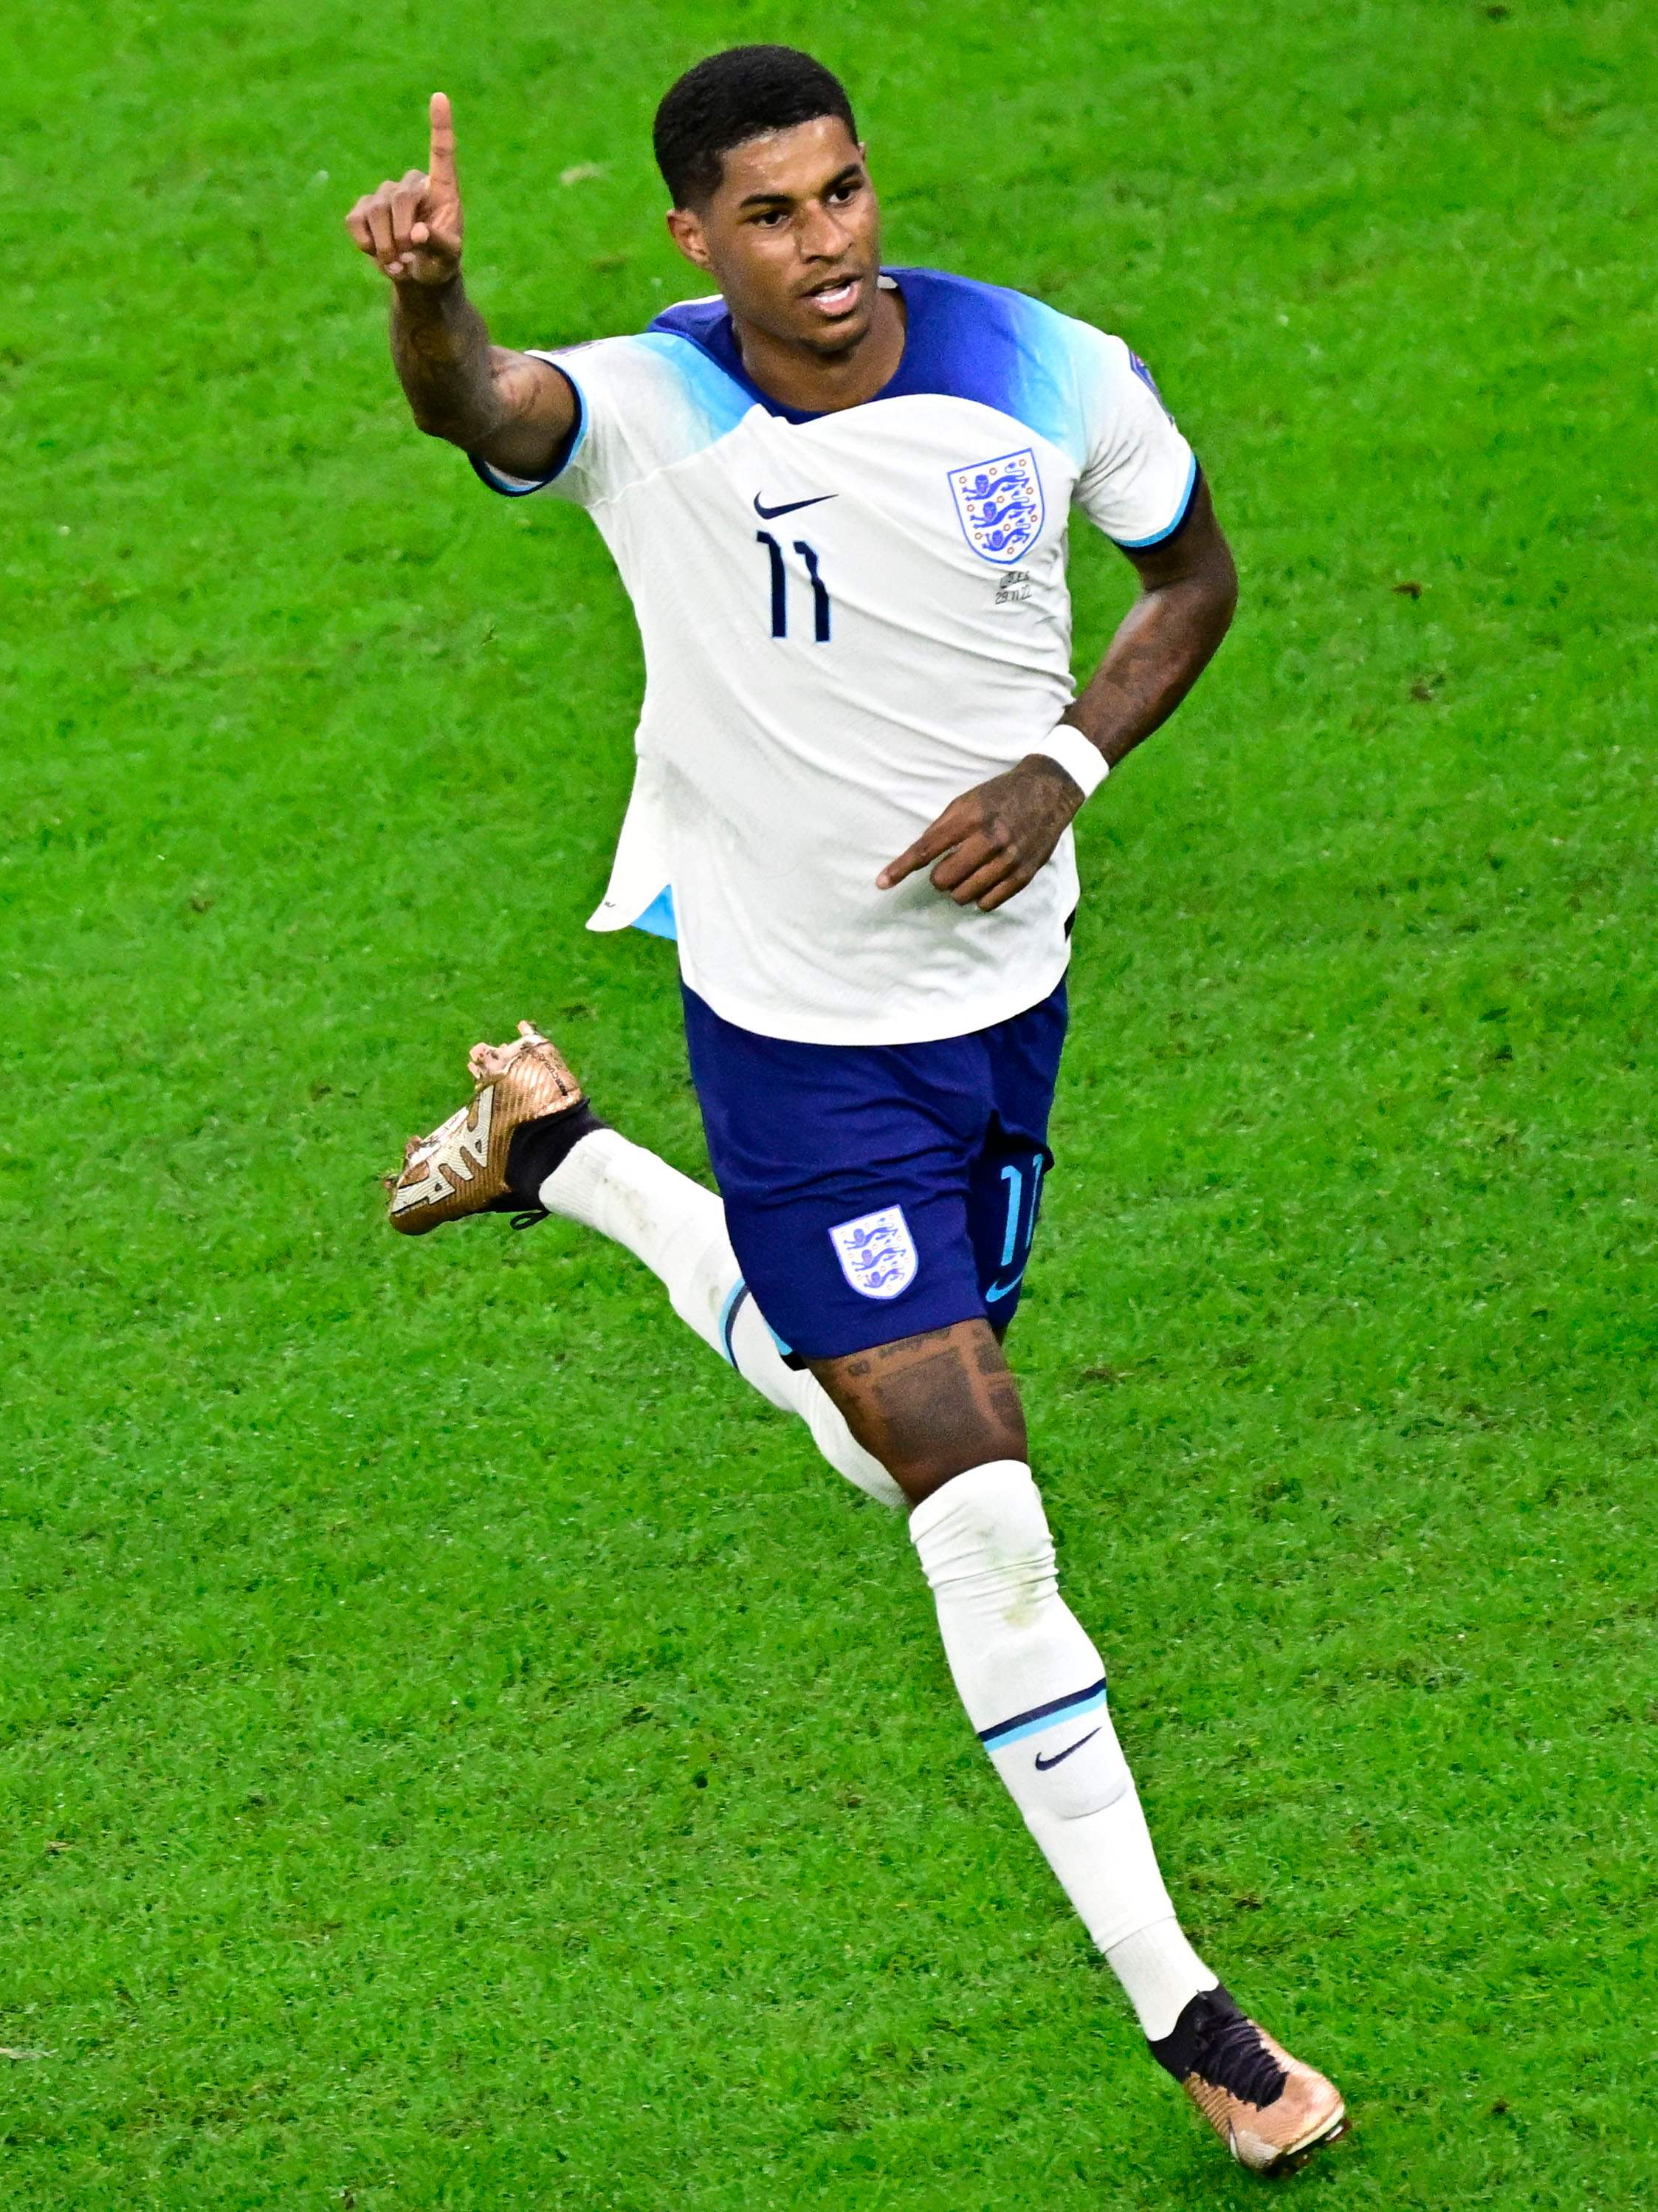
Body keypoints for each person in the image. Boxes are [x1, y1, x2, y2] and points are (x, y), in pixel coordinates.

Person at [348, 46, 1344, 2174]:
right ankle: (1196, 2011)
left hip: (1006, 1012)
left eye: (847, 192)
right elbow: (481, 406)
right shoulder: (651, 410)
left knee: (883, 1432)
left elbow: (1194, 584)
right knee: (979, 1505)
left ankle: (568, 1159)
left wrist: (1058, 773)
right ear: (695, 238)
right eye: (776, 214)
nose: (830, 244)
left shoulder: (1051, 374)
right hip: (794, 1042)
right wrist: (428, 296)